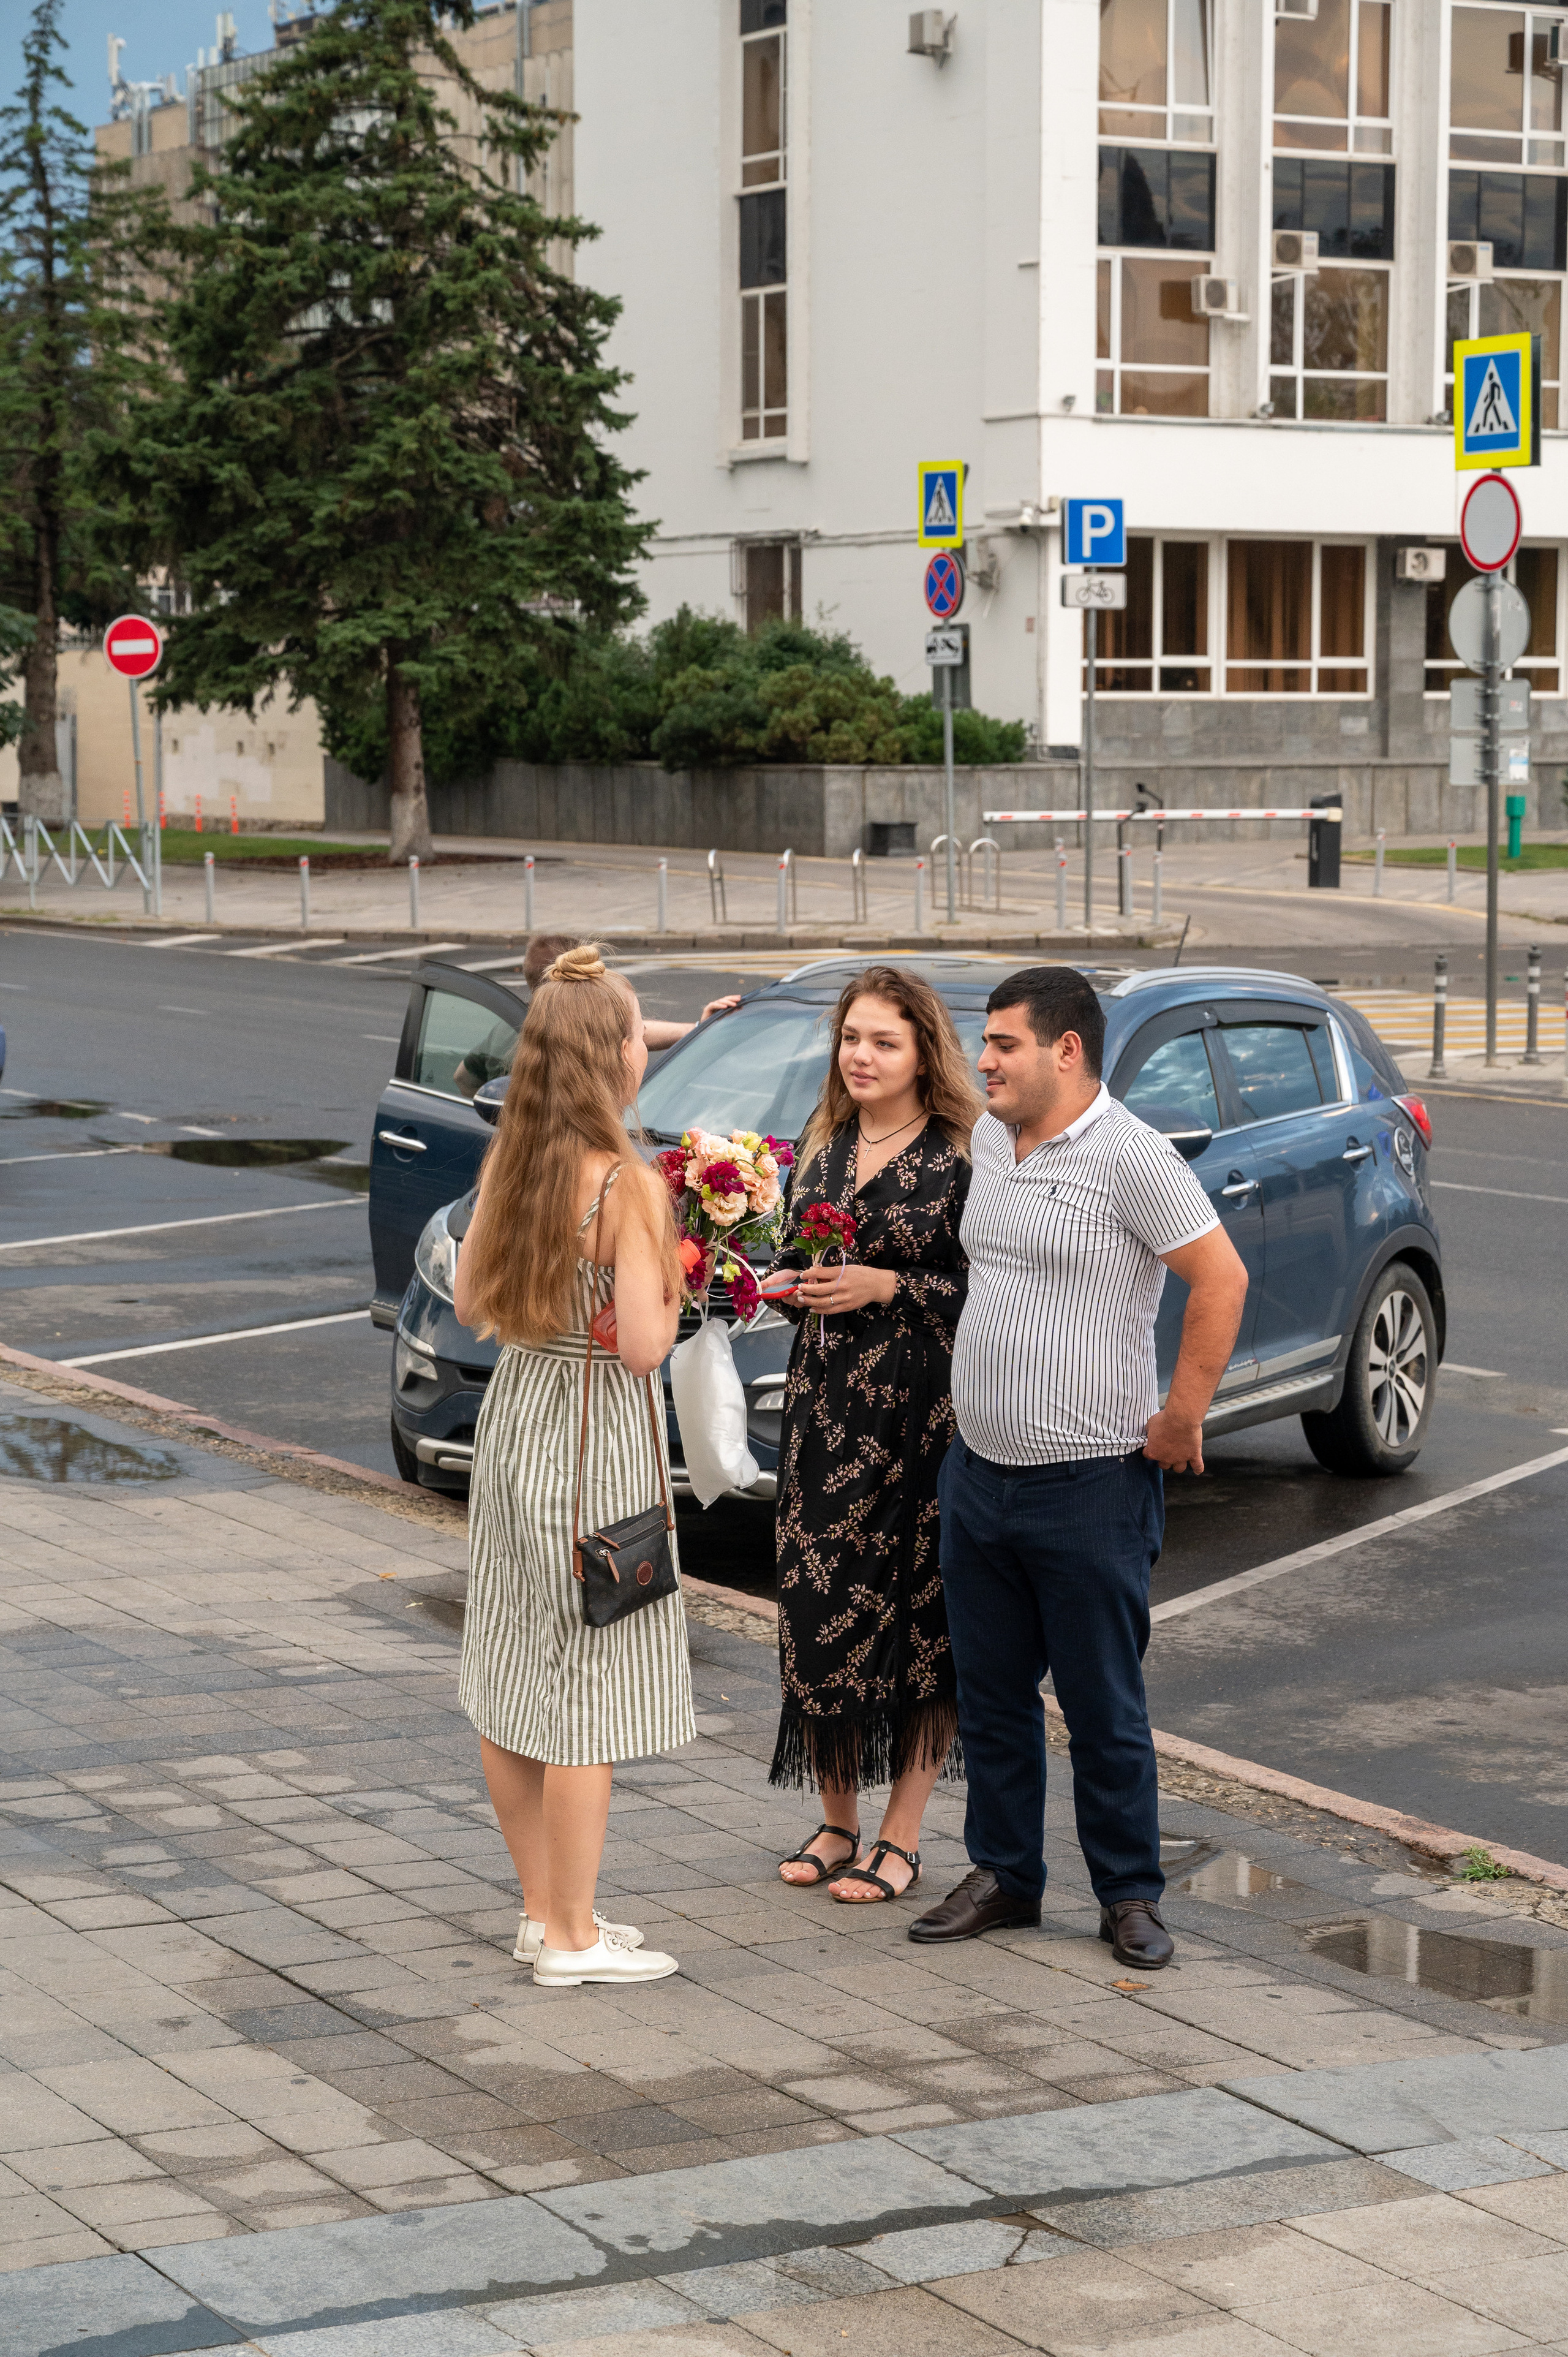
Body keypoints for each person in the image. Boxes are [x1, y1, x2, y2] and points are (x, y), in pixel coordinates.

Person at [910, 966, 1248, 1969]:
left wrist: (1182, 1414)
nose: (984, 1060)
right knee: (994, 1695)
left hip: (1090, 1481)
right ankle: (1007, 1875)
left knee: (1103, 1705)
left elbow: (1219, 1276)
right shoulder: (989, 1139)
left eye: (1004, 1043)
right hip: (980, 1475)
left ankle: (1130, 1894)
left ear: (1067, 1049)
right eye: (985, 1041)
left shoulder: (1133, 1156)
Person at [453, 941, 695, 1986]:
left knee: (512, 1670)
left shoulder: (511, 1163)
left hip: (516, 1420)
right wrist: (677, 1292)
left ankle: (542, 1907)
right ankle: (574, 1939)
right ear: (613, 1060)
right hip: (594, 1435)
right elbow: (643, 1345)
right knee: (586, 1688)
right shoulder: (628, 1186)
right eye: (638, 1034)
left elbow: (469, 1308)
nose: (645, 1048)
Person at [767, 967, 983, 1903]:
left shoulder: (964, 1156)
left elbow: (991, 1291)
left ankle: (901, 1832)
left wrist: (891, 1284)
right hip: (821, 1416)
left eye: (883, 1040)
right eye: (852, 1037)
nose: (861, 1054)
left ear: (923, 1052)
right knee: (817, 1612)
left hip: (918, 1423)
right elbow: (792, 1265)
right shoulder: (820, 1148)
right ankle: (837, 1814)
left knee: (915, 1621)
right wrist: (768, 1284)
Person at [453, 934, 741, 1099]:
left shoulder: (516, 1032)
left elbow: (463, 1078)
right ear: (621, 1051)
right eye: (637, 1035)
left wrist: (697, 1028)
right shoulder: (622, 1181)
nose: (641, 1038)